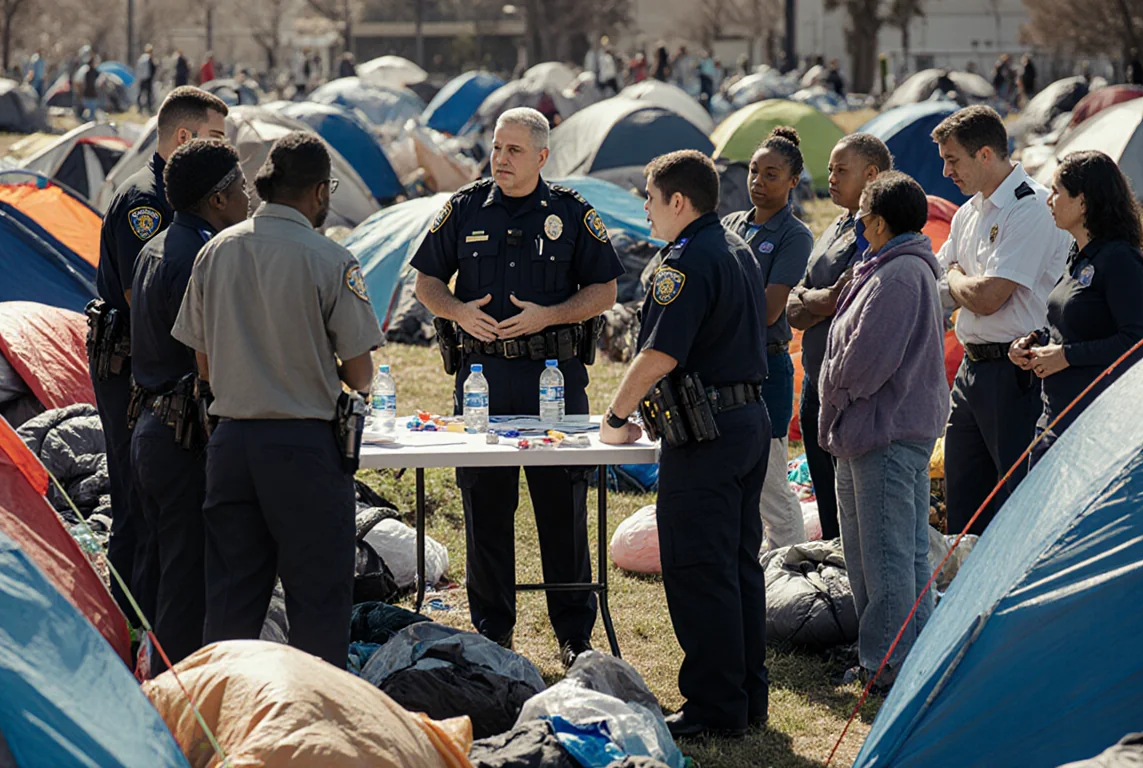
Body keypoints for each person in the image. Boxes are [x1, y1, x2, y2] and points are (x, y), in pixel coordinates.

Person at [410, 107, 623, 666]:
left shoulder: (571, 213)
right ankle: (492, 631)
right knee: (485, 508)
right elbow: (425, 282)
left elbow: (605, 290)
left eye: (514, 151)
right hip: (483, 382)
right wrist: (457, 311)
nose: (500, 159)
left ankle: (574, 636)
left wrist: (549, 316)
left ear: (542, 157)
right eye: (497, 148)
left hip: (552, 382)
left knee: (562, 510)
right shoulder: (463, 207)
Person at [171, 131, 384, 666]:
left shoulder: (214, 250)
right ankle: (313, 729)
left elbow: (203, 364)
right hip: (303, 448)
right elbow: (361, 375)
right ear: (318, 192)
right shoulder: (331, 258)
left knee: (230, 604)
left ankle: (225, 726)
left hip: (231, 445)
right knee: (318, 603)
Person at [600, 149, 769, 738]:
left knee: (700, 570)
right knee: (738, 566)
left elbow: (659, 352)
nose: (643, 210)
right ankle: (748, 697)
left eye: (649, 198)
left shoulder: (687, 260)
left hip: (708, 435)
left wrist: (617, 413)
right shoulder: (736, 245)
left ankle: (715, 708)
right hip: (744, 420)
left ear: (678, 201)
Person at [92, 86, 230, 628]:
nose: (227, 151)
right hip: (136, 370)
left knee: (167, 517)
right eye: (217, 138)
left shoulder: (183, 197)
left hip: (164, 374)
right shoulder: (146, 201)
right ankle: (126, 627)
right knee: (135, 507)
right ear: (184, 137)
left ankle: (149, 626)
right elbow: (140, 295)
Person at [819, 171, 950, 691]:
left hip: (885, 433)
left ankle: (887, 664)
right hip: (874, 431)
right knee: (897, 551)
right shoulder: (889, 267)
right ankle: (908, 654)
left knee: (887, 555)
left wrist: (837, 391)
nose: (857, 224)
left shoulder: (899, 275)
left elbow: (868, 360)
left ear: (877, 220)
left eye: (862, 216)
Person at [130, 138, 250, 676]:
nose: (248, 198)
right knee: (186, 580)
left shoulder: (156, 246)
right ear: (219, 199)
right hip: (184, 434)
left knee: (161, 570)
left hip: (151, 425)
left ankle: (155, 680)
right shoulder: (201, 255)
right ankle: (176, 701)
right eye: (242, 188)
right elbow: (213, 352)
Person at [932, 105, 1071, 535]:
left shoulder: (1028, 207)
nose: (945, 172)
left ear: (986, 154)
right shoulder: (968, 213)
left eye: (952, 159)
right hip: (972, 373)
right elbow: (938, 284)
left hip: (1016, 377)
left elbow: (990, 297)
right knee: (965, 507)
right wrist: (958, 283)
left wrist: (956, 279)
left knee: (1016, 506)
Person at [1009, 151, 1143, 463]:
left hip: (1094, 423)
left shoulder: (1119, 260)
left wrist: (1066, 356)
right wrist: (1034, 342)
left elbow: (1138, 342)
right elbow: (1073, 325)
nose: (1049, 199)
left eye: (1057, 191)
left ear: (1083, 202)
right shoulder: (1078, 254)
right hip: (1055, 415)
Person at [788, 133, 892, 539]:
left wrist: (816, 300)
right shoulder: (836, 224)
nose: (830, 178)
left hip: (848, 389)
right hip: (816, 379)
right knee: (828, 504)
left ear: (871, 175)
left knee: (854, 511)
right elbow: (797, 304)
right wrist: (820, 300)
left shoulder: (877, 231)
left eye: (840, 170)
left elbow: (849, 298)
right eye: (830, 169)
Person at [722, 127, 812, 551]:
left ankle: (788, 571)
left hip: (766, 368)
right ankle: (752, 568)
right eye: (754, 172)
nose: (758, 181)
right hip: (725, 368)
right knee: (736, 480)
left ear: (794, 181)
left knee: (773, 487)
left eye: (772, 174)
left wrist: (713, 314)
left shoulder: (795, 235)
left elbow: (770, 309)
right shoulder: (731, 224)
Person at [137, 44, 158, 114]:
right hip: (147, 79)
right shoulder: (148, 58)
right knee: (147, 94)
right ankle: (147, 108)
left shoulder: (142, 58)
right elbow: (153, 68)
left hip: (143, 78)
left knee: (142, 94)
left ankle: (141, 108)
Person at [81, 55, 102, 122]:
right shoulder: (88, 73)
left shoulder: (95, 72)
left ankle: (90, 121)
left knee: (92, 112)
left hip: (92, 94)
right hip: (88, 94)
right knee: (89, 111)